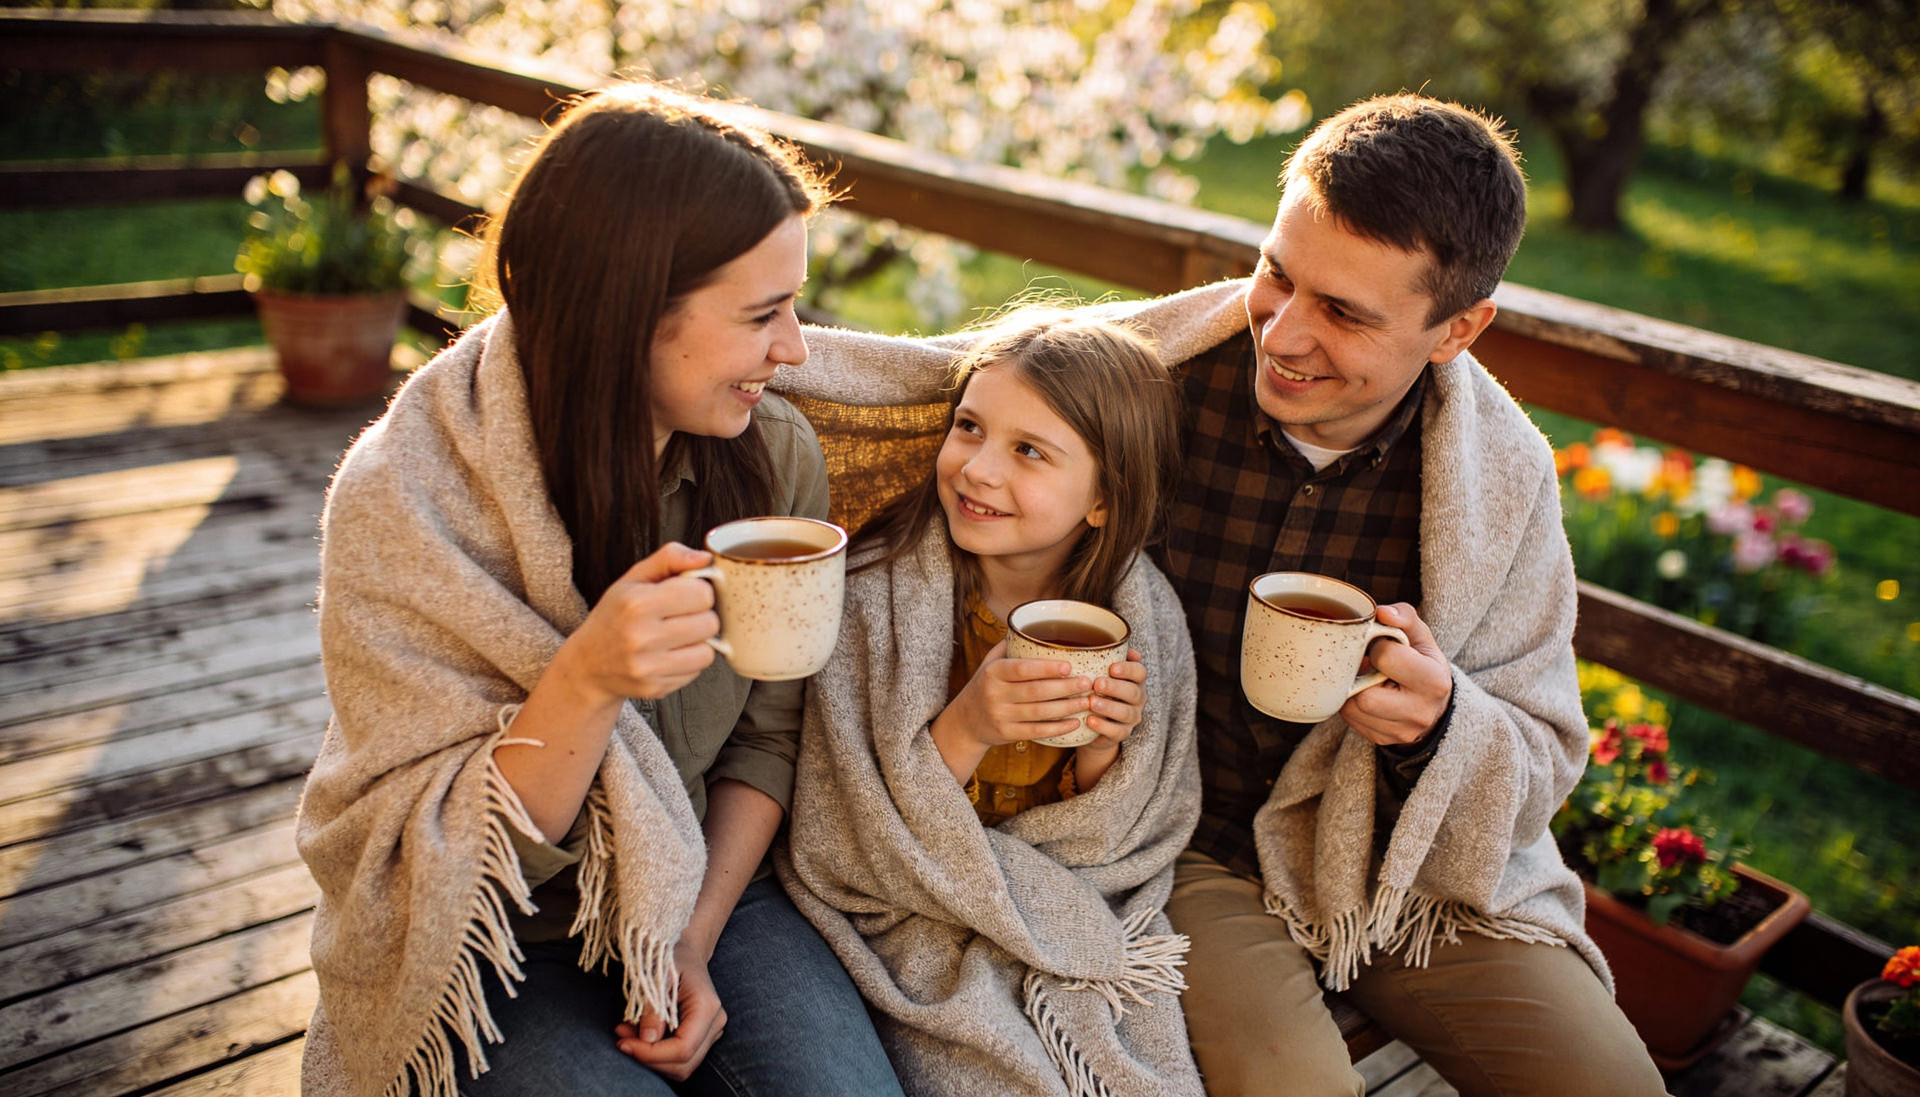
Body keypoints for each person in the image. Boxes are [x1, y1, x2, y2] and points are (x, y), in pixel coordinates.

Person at [783, 93, 1670, 1096]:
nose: (1282, 334)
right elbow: (927, 385)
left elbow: (1542, 748)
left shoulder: (1499, 478)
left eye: (1344, 313)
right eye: (1277, 274)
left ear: (1457, 328)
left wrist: (1441, 723)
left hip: (1393, 861)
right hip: (1186, 849)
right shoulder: (1151, 382)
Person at [294, 81, 904, 1097]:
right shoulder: (409, 501)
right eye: (763, 314)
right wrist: (584, 682)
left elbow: (769, 733)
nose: (796, 348)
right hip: (496, 935)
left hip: (709, 886)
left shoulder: (771, 460)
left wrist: (689, 937)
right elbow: (424, 862)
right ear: (627, 312)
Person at [777, 308, 1206, 1096]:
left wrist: (1103, 749)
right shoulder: (877, 596)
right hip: (911, 903)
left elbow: (1126, 824)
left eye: (1029, 451)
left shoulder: (1143, 615)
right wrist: (969, 724)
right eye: (969, 427)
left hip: (1059, 888)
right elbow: (848, 821)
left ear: (1104, 500)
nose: (977, 469)